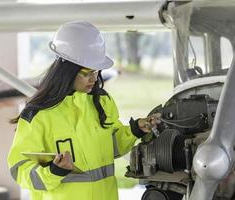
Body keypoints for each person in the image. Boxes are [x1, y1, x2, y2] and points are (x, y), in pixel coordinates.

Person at [8, 21, 161, 200]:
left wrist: (135, 130)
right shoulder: (38, 115)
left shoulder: (102, 102)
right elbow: (19, 168)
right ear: (67, 70)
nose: (94, 79)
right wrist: (54, 172)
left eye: (96, 72)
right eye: (86, 72)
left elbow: (109, 148)